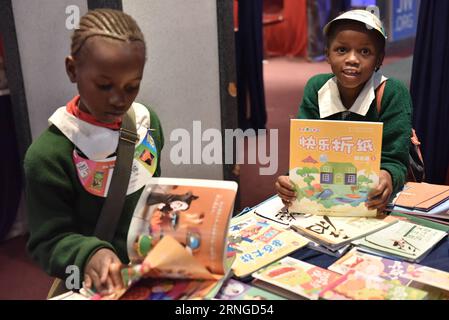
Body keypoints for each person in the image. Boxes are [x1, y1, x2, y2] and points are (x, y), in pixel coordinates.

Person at [24, 9, 164, 296]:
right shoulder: (48, 155)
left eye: (132, 87)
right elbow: (47, 240)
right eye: (104, 86)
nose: (118, 100)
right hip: (95, 286)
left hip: (148, 276)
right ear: (72, 70)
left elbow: (151, 197)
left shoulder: (147, 124)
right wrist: (89, 254)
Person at [276, 9, 411, 214]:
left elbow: (396, 159)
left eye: (365, 52)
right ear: (328, 54)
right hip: (322, 200)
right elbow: (305, 152)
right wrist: (290, 179)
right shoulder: (316, 88)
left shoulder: (392, 93)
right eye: (341, 50)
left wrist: (388, 177)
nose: (352, 59)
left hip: (371, 201)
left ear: (380, 59)